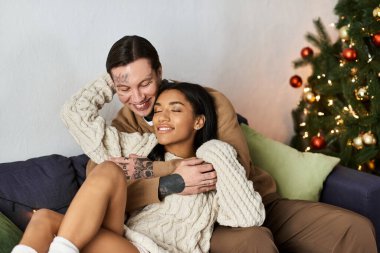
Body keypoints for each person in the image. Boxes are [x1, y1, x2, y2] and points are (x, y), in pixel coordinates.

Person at [91, 35, 375, 253]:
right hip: (200, 225)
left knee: (356, 228)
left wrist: (146, 171)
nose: (137, 97)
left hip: (253, 200)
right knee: (254, 241)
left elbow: (236, 168)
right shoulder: (123, 126)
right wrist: (171, 181)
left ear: (159, 72)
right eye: (124, 89)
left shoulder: (208, 101)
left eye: (145, 83)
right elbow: (99, 185)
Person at [12, 81, 265, 253]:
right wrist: (123, 80)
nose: (162, 117)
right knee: (44, 217)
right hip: (124, 238)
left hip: (156, 249)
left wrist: (215, 150)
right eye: (157, 111)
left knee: (48, 221)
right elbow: (74, 115)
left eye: (175, 110)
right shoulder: (143, 148)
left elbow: (249, 216)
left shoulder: (211, 158)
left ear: (199, 121)